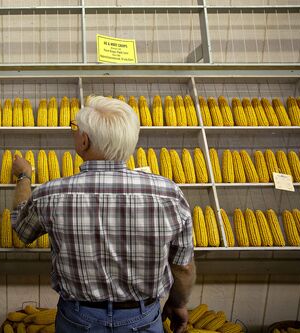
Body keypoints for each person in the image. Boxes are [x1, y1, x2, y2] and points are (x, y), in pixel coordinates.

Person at [11, 96, 196, 333]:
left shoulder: (52, 193)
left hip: (79, 317)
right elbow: (184, 266)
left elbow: (22, 230)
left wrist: (23, 177)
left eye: (75, 129)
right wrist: (178, 303)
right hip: (142, 316)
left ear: (84, 141)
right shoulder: (168, 193)